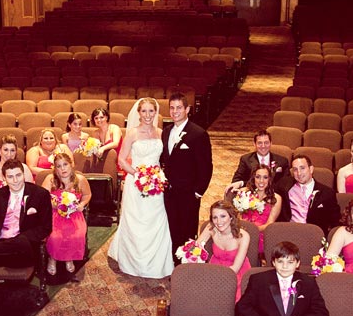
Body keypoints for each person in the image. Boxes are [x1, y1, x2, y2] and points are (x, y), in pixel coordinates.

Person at [108, 98, 173, 279]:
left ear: (156, 113)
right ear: (138, 113)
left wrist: (156, 176)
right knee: (136, 219)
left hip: (156, 182)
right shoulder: (132, 134)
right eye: (143, 111)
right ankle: (133, 261)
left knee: (157, 217)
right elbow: (121, 159)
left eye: (151, 111)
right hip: (136, 181)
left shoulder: (161, 133)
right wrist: (138, 175)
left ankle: (157, 262)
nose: (147, 115)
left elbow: (165, 159)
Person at [237, 241, 329, 316]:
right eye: (280, 262)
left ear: (298, 263)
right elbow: (242, 307)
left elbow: (322, 314)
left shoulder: (308, 283)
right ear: (273, 262)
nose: (285, 267)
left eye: (290, 262)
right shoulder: (258, 280)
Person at [160, 92, 213, 260]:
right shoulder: (166, 132)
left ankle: (185, 266)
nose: (175, 111)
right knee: (172, 229)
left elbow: (206, 166)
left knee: (188, 231)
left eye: (179, 108)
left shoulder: (198, 133)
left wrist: (198, 192)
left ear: (187, 109)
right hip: (169, 192)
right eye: (172, 108)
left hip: (188, 193)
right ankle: (174, 263)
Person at [0, 159, 53, 270]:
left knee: (21, 242)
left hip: (24, 249)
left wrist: (22, 239)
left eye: (18, 175)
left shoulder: (40, 194)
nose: (15, 180)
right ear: (4, 178)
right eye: (10, 177)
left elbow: (45, 227)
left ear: (24, 175)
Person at [41, 153, 91, 278]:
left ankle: (69, 258)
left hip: (74, 214)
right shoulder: (50, 179)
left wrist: (82, 205)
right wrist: (53, 204)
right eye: (59, 166)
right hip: (54, 213)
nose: (62, 169)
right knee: (55, 236)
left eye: (65, 165)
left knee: (77, 234)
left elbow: (87, 195)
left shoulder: (80, 179)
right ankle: (52, 258)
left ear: (71, 165)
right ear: (55, 168)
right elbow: (41, 197)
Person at [196, 200, 251, 302]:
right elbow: (195, 248)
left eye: (223, 216)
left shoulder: (243, 236)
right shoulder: (211, 228)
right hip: (215, 266)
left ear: (231, 217)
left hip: (236, 271)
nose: (219, 222)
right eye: (215, 217)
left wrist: (217, 280)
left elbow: (235, 268)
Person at [278, 154, 340, 234]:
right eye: (295, 169)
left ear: (311, 169)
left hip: (312, 236)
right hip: (288, 233)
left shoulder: (327, 193)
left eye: (302, 168)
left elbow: (335, 221)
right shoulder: (284, 186)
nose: (299, 173)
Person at [226, 130, 290, 194]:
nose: (263, 146)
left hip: (275, 195)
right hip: (252, 195)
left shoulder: (282, 161)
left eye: (266, 142)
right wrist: (243, 185)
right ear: (254, 144)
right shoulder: (246, 159)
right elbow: (236, 180)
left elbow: (286, 183)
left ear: (271, 143)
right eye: (260, 143)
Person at [0, 134, 34, 207]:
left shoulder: (25, 169)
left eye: (12, 150)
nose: (9, 154)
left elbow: (29, 195)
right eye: (5, 150)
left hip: (19, 208)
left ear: (16, 152)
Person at [238, 165, 282, 255]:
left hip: (262, 234)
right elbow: (238, 216)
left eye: (265, 177)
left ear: (269, 179)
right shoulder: (244, 192)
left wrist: (253, 230)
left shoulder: (276, 198)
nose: (261, 181)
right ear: (253, 178)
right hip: (242, 231)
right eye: (258, 177)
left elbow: (270, 223)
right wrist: (245, 230)